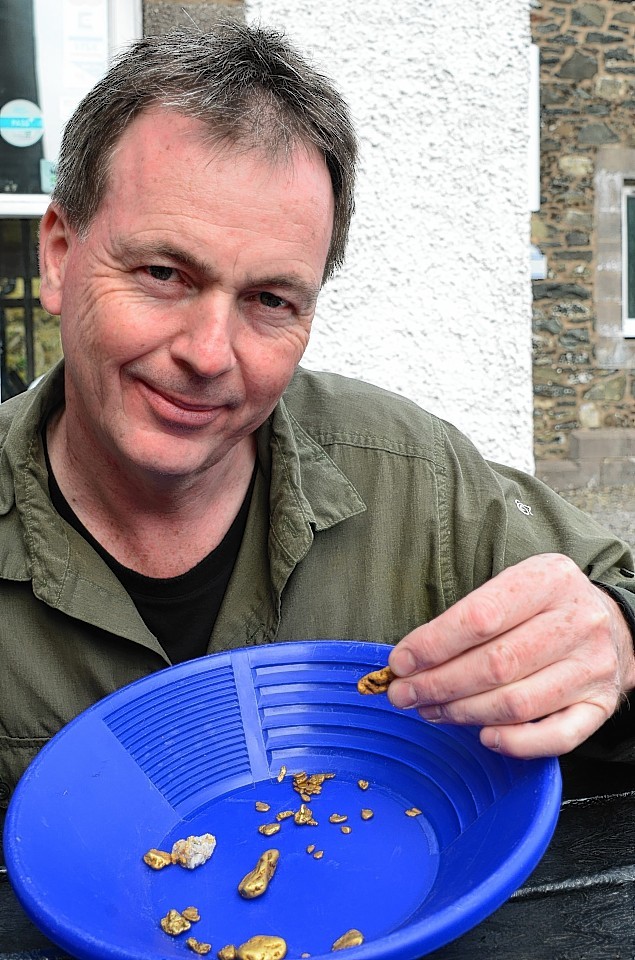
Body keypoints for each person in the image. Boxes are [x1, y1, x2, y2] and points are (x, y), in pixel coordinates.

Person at [1, 19, 635, 810]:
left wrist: (614, 638)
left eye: (270, 299)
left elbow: (614, 597)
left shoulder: (416, 482)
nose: (207, 352)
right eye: (163, 273)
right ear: (59, 254)